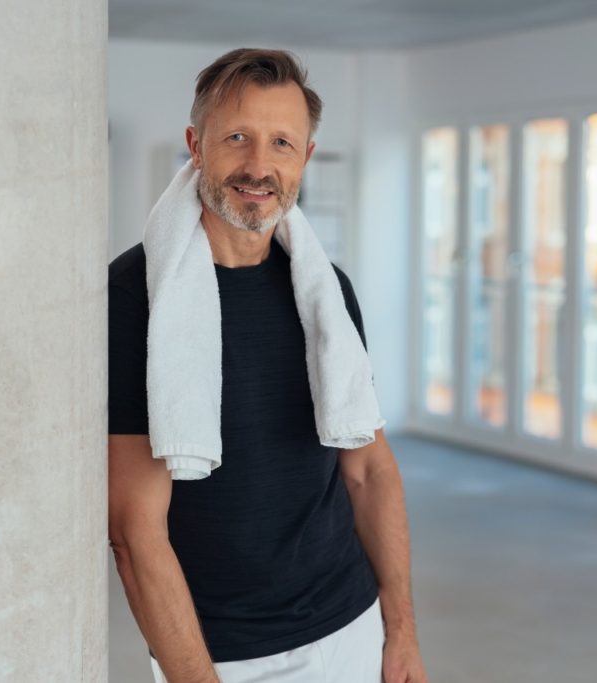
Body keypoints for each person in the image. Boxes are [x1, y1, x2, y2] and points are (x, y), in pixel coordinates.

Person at [107, 48, 428, 683]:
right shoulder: (134, 296)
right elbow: (133, 531)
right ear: (196, 146)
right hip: (221, 650)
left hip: (351, 622)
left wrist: (402, 633)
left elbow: (368, 470)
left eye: (281, 142)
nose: (259, 166)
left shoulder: (326, 293)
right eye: (237, 138)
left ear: (304, 158)